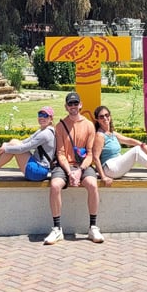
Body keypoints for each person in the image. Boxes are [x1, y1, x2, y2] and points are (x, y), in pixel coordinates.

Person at [44, 91, 103, 245]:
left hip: (83, 166)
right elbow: (60, 153)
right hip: (65, 166)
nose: (73, 107)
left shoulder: (89, 125)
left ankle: (93, 227)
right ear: (66, 107)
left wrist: (80, 171)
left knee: (92, 184)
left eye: (75, 103)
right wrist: (70, 172)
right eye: (70, 104)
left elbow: (90, 154)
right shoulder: (60, 126)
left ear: (80, 105)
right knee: (55, 186)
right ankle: (57, 229)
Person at [92, 105, 147, 184]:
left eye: (107, 115)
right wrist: (103, 177)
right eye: (101, 116)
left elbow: (128, 140)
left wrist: (143, 145)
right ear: (97, 120)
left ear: (110, 116)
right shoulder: (100, 136)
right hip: (110, 168)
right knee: (136, 151)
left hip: (116, 164)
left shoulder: (111, 133)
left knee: (140, 149)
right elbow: (95, 157)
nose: (105, 118)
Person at [0, 106, 55, 181]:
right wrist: (6, 144)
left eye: (45, 115)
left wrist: (6, 148)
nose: (41, 117)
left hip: (38, 172)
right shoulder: (42, 130)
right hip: (37, 168)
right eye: (40, 114)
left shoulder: (45, 134)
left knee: (14, 146)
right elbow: (24, 141)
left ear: (51, 118)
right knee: (14, 141)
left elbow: (23, 149)